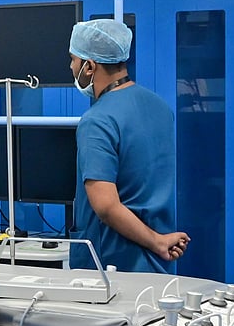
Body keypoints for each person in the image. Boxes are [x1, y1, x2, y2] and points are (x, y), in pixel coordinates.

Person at [67, 19, 190, 273]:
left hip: (113, 266)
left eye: (73, 59)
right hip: (157, 263)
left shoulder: (97, 120)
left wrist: (157, 242)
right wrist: (158, 241)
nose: (71, 67)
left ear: (89, 66)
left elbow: (106, 206)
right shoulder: (160, 107)